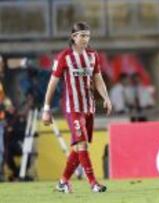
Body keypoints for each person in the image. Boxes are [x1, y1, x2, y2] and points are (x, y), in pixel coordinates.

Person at [42, 22, 112, 193]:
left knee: (77, 148)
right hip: (72, 108)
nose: (85, 39)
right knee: (82, 145)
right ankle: (93, 183)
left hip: (88, 107)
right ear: (73, 37)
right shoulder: (64, 57)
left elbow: (98, 79)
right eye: (82, 35)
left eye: (87, 35)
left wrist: (106, 97)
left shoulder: (93, 55)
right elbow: (52, 84)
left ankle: (62, 182)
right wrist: (46, 108)